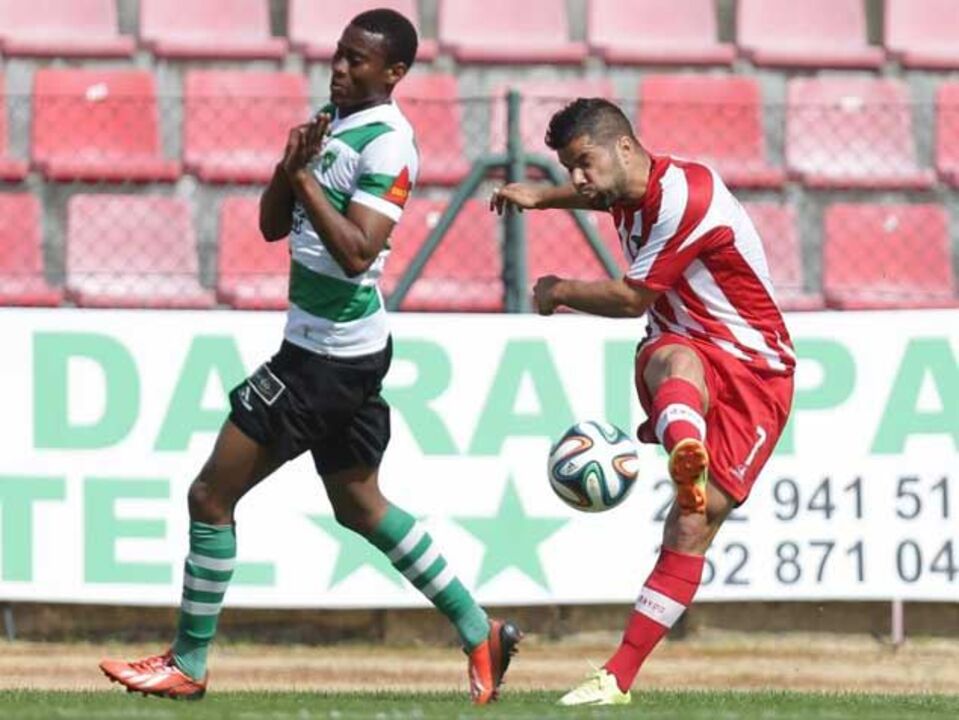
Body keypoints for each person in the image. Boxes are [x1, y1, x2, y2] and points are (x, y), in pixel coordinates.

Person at [100, 8, 520, 705]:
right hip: (337, 351)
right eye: (338, 54)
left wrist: (302, 180)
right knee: (360, 506)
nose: (340, 67)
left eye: (358, 60)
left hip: (322, 361)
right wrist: (287, 167)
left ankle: (189, 663)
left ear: (395, 73)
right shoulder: (333, 121)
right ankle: (481, 631)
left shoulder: (390, 143)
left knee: (210, 495)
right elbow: (271, 227)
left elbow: (357, 252)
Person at [491, 98, 795, 706]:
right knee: (672, 353)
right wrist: (544, 196)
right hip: (687, 346)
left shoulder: (688, 196)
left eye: (583, 163)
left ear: (624, 148)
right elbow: (600, 197)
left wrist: (556, 290)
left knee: (691, 522)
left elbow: (632, 298)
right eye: (570, 168)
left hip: (757, 369)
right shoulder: (627, 187)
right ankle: (687, 444)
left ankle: (619, 674)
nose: (578, 178)